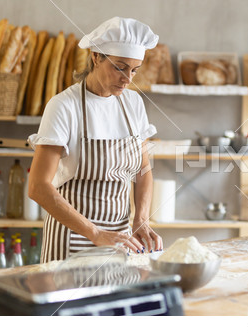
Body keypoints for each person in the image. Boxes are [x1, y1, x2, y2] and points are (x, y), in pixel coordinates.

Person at [28, 17, 163, 262]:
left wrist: (141, 219)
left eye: (134, 70)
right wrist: (95, 233)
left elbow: (143, 170)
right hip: (71, 239)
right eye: (119, 67)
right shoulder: (63, 107)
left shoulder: (133, 104)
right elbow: (38, 187)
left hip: (121, 240)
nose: (128, 79)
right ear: (95, 57)